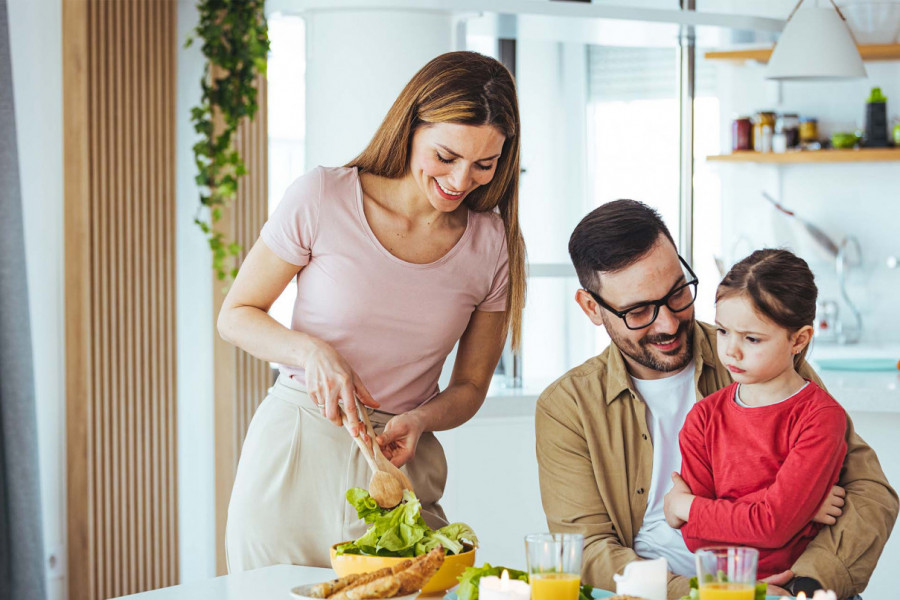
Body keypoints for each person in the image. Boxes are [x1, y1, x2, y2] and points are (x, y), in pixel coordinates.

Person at [219, 51, 526, 571]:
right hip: (295, 450)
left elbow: (471, 386)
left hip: (400, 460)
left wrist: (421, 418)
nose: (460, 180)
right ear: (411, 127)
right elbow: (236, 314)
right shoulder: (323, 197)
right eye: (446, 155)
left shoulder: (492, 244)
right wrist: (312, 351)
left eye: (484, 164)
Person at [534, 200, 897, 600]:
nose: (669, 323)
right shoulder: (568, 406)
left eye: (677, 293)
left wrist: (804, 582)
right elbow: (588, 548)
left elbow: (868, 491)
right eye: (639, 311)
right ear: (592, 308)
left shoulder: (763, 358)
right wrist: (713, 592)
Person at [662, 249, 847, 580]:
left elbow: (773, 527)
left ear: (799, 339)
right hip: (722, 590)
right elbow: (696, 539)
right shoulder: (703, 418)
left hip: (797, 588)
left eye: (751, 338)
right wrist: (801, 510)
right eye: (722, 331)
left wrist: (688, 507)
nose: (731, 350)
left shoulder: (821, 418)